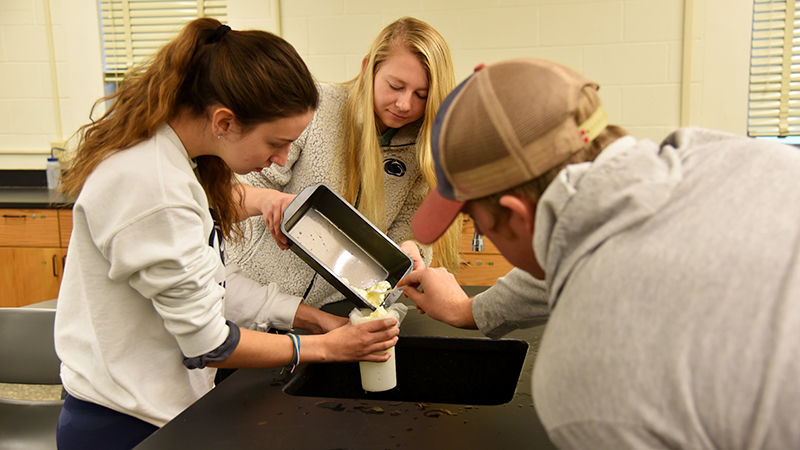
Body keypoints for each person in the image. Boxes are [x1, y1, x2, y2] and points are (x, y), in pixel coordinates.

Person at [400, 58, 800, 448]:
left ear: (515, 216)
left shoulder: (589, 380)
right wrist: (468, 310)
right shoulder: (744, 157)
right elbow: (577, 244)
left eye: (475, 219)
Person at [54, 18, 399, 450]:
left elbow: (208, 290)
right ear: (224, 121)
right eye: (276, 141)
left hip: (161, 409)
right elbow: (209, 343)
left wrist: (314, 319)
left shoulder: (174, 160)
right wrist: (329, 348)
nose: (282, 157)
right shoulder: (155, 186)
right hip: (124, 425)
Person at [228, 17, 461, 310]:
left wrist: (412, 250)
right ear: (368, 69)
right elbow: (231, 193)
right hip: (251, 294)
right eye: (395, 86)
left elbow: (411, 231)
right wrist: (267, 200)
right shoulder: (316, 107)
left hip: (334, 309)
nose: (405, 104)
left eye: (421, 95)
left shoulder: (423, 149)